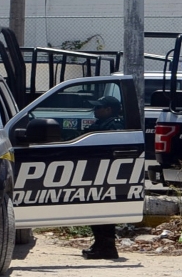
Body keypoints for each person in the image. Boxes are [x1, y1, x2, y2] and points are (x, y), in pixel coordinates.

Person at [82, 96, 124, 260]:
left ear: (109, 110)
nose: (95, 110)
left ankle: (107, 248)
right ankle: (100, 244)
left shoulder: (115, 125)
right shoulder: (101, 124)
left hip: (106, 173)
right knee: (95, 210)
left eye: (99, 107)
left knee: (103, 210)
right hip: (95, 172)